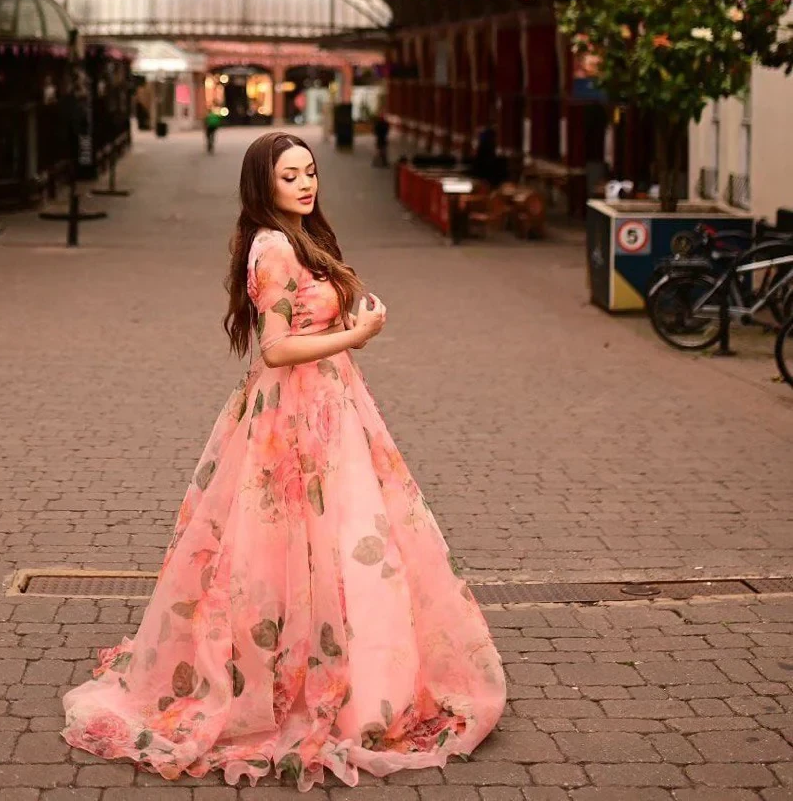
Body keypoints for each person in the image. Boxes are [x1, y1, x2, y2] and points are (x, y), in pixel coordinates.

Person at [62, 132, 505, 790]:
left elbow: (305, 318)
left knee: (345, 542)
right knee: (296, 546)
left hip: (330, 405)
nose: (304, 184)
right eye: (289, 176)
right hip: (290, 416)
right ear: (261, 185)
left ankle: (350, 678)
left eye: (310, 172)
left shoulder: (299, 237)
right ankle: (289, 684)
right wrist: (355, 334)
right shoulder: (270, 247)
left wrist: (345, 311)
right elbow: (273, 349)